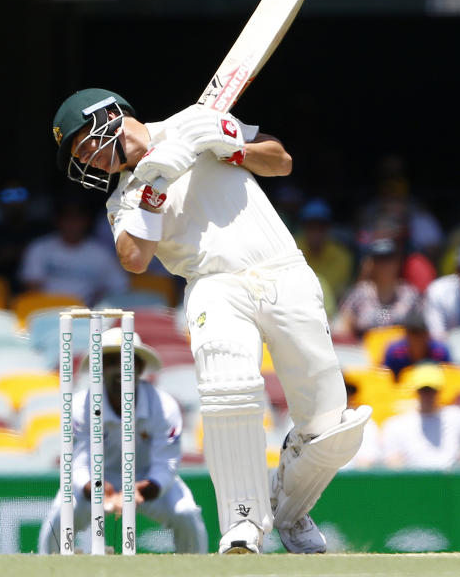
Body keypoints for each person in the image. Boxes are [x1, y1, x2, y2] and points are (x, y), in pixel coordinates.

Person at [50, 89, 370, 555]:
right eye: (80, 158)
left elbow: (281, 162)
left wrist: (230, 145)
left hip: (284, 269)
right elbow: (134, 258)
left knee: (334, 425)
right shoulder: (123, 196)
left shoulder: (195, 120)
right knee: (228, 387)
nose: (90, 162)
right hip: (213, 283)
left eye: (85, 146)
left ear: (111, 116)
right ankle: (243, 524)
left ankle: (288, 509)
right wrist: (154, 186)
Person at [37, 328, 208, 554]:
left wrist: (140, 490)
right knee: (61, 513)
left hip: (147, 481)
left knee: (185, 513)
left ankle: (196, 567)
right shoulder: (80, 406)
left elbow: (166, 465)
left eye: (127, 361)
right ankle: (47, 566)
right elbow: (77, 466)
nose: (120, 369)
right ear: (98, 369)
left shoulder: (164, 407)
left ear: (139, 368)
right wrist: (99, 489)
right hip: (97, 482)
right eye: (110, 361)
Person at [19, 198, 129, 305]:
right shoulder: (39, 248)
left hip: (86, 315)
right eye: (67, 218)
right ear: (58, 221)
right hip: (45, 312)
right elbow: (31, 286)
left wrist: (97, 301)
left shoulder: (102, 254)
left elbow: (119, 287)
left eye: (77, 219)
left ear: (86, 221)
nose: (72, 224)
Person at [381, 364, 460, 469]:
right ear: (416, 391)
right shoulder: (397, 424)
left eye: (432, 390)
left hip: (449, 480)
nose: (427, 395)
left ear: (439, 391)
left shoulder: (455, 416)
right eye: (423, 390)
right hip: (414, 481)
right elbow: (393, 461)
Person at [334, 238, 421, 341]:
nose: (384, 266)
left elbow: (422, 330)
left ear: (398, 262)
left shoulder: (410, 295)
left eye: (389, 259)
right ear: (370, 264)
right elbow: (342, 329)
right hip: (362, 352)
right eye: (379, 260)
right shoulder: (358, 294)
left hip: (401, 353)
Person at [295, 199, 353, 301]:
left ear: (328, 228)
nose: (316, 232)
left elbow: (328, 291)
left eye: (320, 227)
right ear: (304, 228)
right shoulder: (293, 250)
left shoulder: (341, 256)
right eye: (311, 227)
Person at [382, 309, 451, 382]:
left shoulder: (440, 352)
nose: (417, 339)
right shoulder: (395, 353)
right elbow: (388, 383)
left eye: (420, 333)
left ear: (427, 334)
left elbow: (449, 379)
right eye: (412, 333)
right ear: (406, 335)